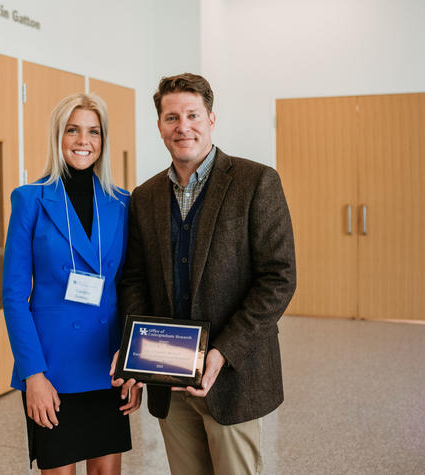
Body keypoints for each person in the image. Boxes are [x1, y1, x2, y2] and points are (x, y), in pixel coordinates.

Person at [112, 73, 296, 474]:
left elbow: (278, 278)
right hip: (168, 381)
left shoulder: (255, 182)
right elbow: (134, 280)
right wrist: (137, 352)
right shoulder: (144, 197)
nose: (183, 127)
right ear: (159, 125)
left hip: (233, 376)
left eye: (193, 115)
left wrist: (223, 352)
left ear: (211, 118)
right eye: (172, 117)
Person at [3, 93, 142, 474]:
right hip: (52, 369)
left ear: (104, 139)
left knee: (106, 472)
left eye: (94, 132)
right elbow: (14, 296)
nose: (84, 140)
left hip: (106, 364)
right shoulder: (30, 199)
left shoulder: (123, 202)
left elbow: (132, 286)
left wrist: (134, 366)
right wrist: (33, 375)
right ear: (58, 136)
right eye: (73, 130)